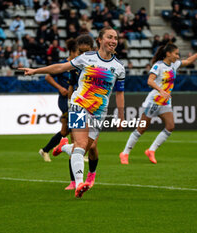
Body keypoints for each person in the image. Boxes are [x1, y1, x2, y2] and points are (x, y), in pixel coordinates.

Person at [19, 26, 125, 198]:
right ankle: (79, 183)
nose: (113, 41)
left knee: (86, 147)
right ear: (100, 40)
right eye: (109, 37)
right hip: (78, 105)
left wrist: (121, 116)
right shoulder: (87, 58)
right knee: (82, 145)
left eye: (115, 38)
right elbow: (60, 68)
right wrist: (35, 71)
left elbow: (120, 93)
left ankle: (64, 147)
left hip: (99, 112)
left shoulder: (119, 67)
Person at [119, 39, 197, 164]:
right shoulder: (158, 66)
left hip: (165, 102)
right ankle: (125, 153)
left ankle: (151, 150)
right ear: (168, 54)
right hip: (154, 101)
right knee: (142, 128)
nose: (178, 56)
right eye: (176, 54)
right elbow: (150, 81)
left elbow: (188, 61)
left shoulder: (174, 64)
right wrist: (161, 90)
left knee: (170, 126)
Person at [52, 34, 100, 190]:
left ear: (93, 50)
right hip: (78, 107)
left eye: (86, 51)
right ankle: (74, 182)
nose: (82, 55)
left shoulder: (100, 64)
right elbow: (72, 86)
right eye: (80, 51)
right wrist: (70, 104)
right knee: (78, 144)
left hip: (95, 107)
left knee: (91, 147)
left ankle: (90, 174)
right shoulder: (75, 67)